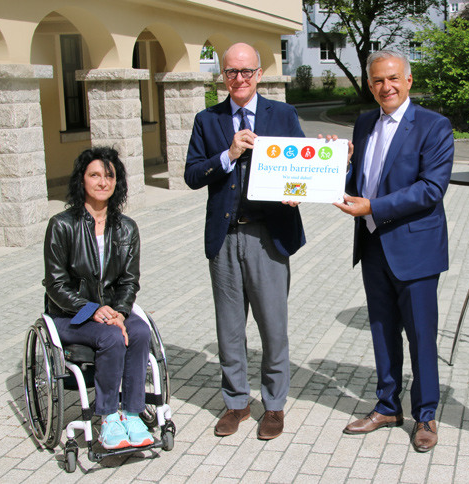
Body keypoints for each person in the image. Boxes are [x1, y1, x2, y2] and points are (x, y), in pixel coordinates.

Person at [333, 50, 454, 453]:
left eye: (393, 79)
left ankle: (426, 415)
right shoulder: (366, 122)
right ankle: (387, 405)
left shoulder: (434, 126)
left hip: (415, 248)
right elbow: (359, 179)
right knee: (382, 331)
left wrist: (374, 207)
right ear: (369, 86)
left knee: (421, 336)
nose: (386, 87)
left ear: (408, 79)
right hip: (372, 245)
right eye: (377, 81)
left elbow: (430, 189)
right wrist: (334, 164)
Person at [184, 42, 305, 440]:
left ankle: (273, 405)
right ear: (223, 76)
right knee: (229, 328)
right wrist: (228, 154)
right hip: (225, 236)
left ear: (259, 73)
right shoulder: (208, 120)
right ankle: (236, 402)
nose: (239, 79)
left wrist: (298, 190)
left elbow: (302, 167)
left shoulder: (282, 114)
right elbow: (192, 174)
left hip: (269, 235)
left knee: (274, 326)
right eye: (232, 72)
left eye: (247, 72)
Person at [44, 147, 152, 451]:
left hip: (111, 310)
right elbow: (55, 284)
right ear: (82, 180)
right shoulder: (62, 225)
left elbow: (129, 280)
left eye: (109, 175)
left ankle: (131, 413)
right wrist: (92, 310)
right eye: (95, 175)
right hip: (69, 315)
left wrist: (119, 311)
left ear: (117, 182)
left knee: (140, 331)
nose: (102, 182)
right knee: (111, 338)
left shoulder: (126, 227)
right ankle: (106, 418)